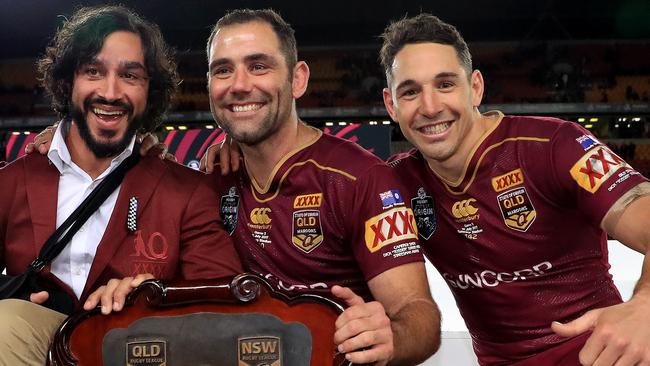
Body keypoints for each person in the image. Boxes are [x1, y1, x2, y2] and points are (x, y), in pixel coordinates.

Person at [381, 14, 650, 365]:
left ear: (475, 87)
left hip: (601, 356)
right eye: (411, 91)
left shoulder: (556, 145)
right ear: (391, 105)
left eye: (445, 84)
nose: (430, 107)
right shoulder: (396, 184)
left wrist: (645, 306)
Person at [0, 6, 242, 365]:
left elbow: (226, 303)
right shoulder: (11, 182)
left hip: (140, 347)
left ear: (150, 92)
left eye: (130, 76)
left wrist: (156, 295)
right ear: (68, 83)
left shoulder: (187, 191)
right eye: (93, 71)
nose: (110, 92)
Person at [204, 9, 440, 365]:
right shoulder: (212, 178)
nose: (239, 84)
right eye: (223, 70)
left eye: (258, 66)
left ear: (298, 79)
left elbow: (419, 315)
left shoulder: (361, 179)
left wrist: (389, 337)